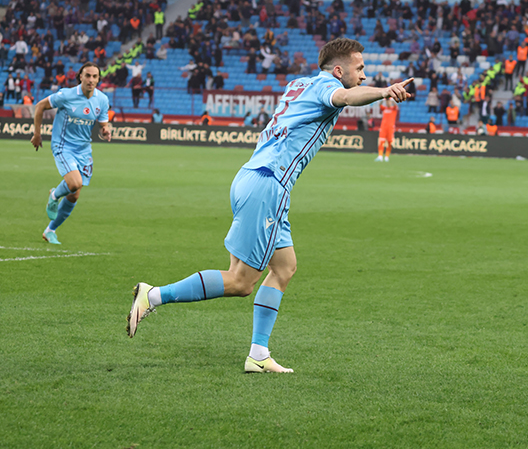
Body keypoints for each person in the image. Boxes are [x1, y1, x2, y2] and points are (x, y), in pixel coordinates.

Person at [126, 38, 414, 374]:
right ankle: (153, 295)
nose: (364, 76)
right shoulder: (327, 86)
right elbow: (346, 97)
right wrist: (385, 91)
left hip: (254, 179)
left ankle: (258, 355)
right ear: (339, 70)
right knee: (241, 282)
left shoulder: (298, 84)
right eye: (360, 68)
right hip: (268, 186)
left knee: (285, 267)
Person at [28, 62, 112, 245]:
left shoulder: (102, 100)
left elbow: (103, 125)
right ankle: (54, 195)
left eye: (94, 76)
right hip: (63, 146)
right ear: (80, 76)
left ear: (98, 79)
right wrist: (37, 133)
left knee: (74, 194)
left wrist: (105, 131)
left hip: (84, 150)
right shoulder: (66, 95)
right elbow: (40, 106)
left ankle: (50, 230)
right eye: (87, 75)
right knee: (74, 183)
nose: (91, 80)